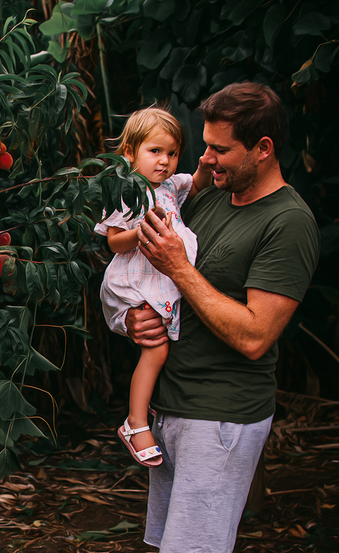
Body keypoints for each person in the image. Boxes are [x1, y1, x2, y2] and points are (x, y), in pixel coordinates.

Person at [124, 82, 319, 553]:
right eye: (202, 147)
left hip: (224, 416)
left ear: (263, 149)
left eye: (219, 149)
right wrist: (140, 315)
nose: (204, 160)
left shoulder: (288, 223)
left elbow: (255, 334)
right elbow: (158, 275)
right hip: (181, 399)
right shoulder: (210, 190)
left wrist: (178, 267)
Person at [95, 107, 211, 467]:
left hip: (163, 276)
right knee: (156, 349)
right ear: (130, 152)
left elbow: (199, 182)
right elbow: (113, 242)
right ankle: (135, 421)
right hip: (138, 278)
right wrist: (143, 229)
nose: (164, 161)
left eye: (172, 153)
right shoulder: (127, 191)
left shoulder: (173, 186)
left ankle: (143, 417)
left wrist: (205, 165)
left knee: (161, 348)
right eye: (154, 151)